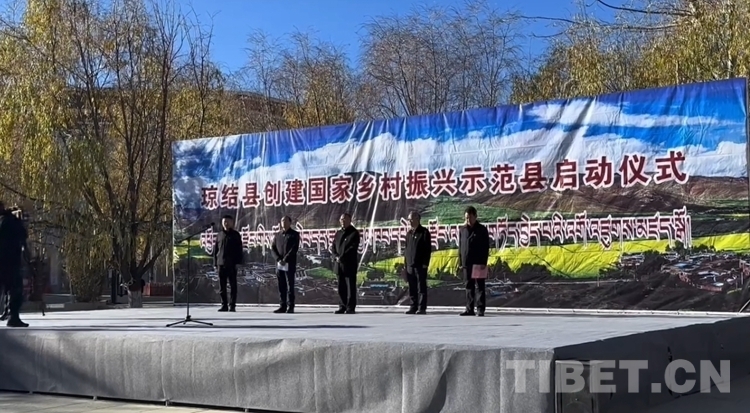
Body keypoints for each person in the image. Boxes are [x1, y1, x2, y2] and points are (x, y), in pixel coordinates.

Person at [0, 202, 29, 327]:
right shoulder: (10, 221)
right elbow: (23, 234)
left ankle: (12, 316)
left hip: (6, 260)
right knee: (14, 289)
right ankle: (13, 317)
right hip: (10, 261)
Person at [458, 206, 490, 317]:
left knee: (480, 286)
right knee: (468, 286)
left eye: (470, 217)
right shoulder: (462, 230)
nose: (468, 220)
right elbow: (460, 248)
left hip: (479, 262)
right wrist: (460, 262)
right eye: (466, 218)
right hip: (466, 263)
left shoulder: (482, 229)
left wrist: (484, 262)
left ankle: (480, 309)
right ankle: (469, 309)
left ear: (475, 216)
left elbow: (486, 247)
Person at [212, 214, 244, 312]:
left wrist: (238, 263)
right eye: (224, 222)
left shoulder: (236, 235)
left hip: (232, 264)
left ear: (232, 223)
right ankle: (224, 305)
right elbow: (216, 250)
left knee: (233, 286)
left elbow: (239, 250)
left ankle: (232, 305)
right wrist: (215, 263)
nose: (226, 223)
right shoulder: (219, 235)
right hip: (221, 263)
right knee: (222, 286)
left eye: (228, 222)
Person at [330, 213, 360, 314]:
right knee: (341, 287)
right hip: (339, 264)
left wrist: (342, 257)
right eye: (341, 219)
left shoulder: (354, 233)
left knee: (350, 287)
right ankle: (342, 306)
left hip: (349, 264)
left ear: (350, 220)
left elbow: (352, 248)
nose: (343, 221)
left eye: (345, 219)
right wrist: (336, 256)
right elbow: (333, 247)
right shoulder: (338, 233)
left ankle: (350, 307)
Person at [403, 210, 432, 314]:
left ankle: (422, 307)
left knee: (421, 288)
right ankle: (413, 306)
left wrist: (425, 263)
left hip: (420, 265)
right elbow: (406, 250)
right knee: (412, 287)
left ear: (417, 219)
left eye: (411, 219)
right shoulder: (409, 233)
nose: (410, 222)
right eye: (409, 220)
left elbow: (427, 250)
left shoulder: (424, 232)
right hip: (410, 265)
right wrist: (405, 264)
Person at [271, 216, 299, 314]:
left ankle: (290, 306)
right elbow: (273, 248)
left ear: (290, 222)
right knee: (281, 285)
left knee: (290, 285)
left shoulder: (294, 234)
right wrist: (278, 259)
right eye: (282, 221)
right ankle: (282, 306)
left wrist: (285, 259)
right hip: (279, 264)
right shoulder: (277, 235)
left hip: (289, 264)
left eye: (285, 221)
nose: (283, 222)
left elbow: (294, 248)